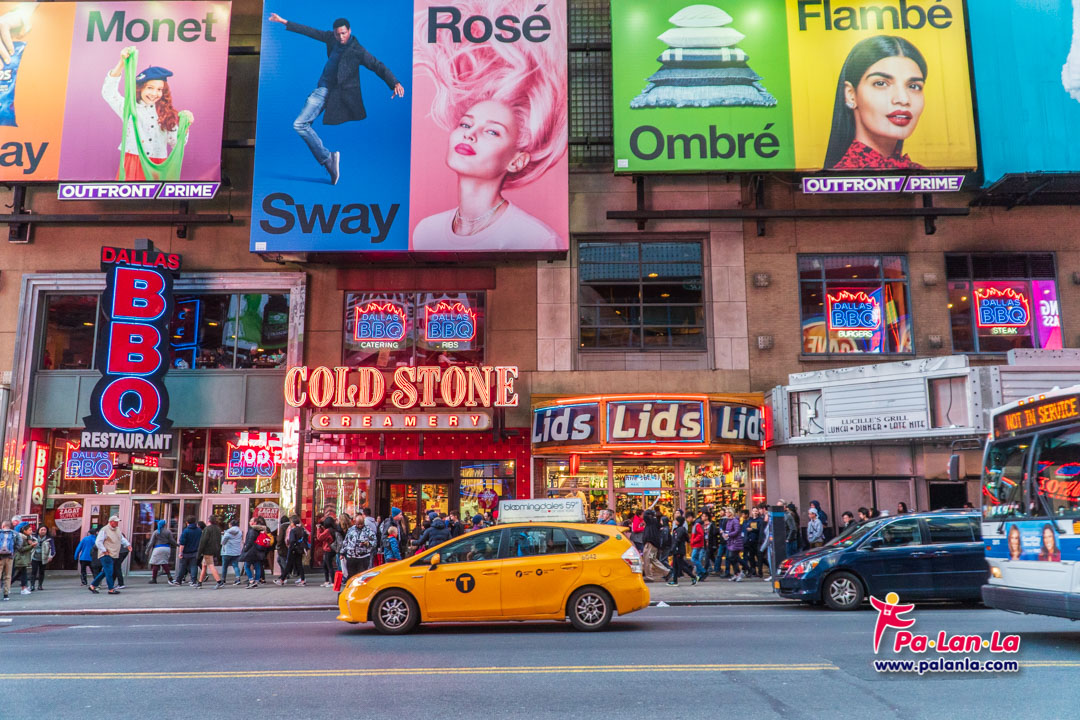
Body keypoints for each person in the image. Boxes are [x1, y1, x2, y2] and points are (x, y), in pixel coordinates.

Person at [410, 0, 567, 252]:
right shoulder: (426, 232)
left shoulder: (537, 240)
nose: (469, 135)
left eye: (492, 131)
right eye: (465, 123)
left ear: (517, 161)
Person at [266, 12, 405, 185]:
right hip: (323, 89)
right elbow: (309, 31)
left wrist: (395, 83)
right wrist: (283, 21)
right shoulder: (331, 39)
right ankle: (328, 159)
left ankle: (328, 159)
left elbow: (377, 66)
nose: (341, 37)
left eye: (344, 33)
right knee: (300, 124)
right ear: (334, 33)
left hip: (337, 93)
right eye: (338, 34)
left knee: (299, 124)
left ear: (349, 31)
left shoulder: (357, 50)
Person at [824, 35, 927, 170]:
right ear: (850, 95)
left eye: (913, 86)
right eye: (881, 83)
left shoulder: (921, 175)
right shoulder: (839, 182)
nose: (903, 99)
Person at [103, 49, 194, 181]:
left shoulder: (167, 113)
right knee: (132, 198)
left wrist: (185, 125)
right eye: (150, 88)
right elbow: (108, 93)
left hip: (159, 165)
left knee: (155, 199)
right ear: (141, 88)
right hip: (133, 162)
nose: (154, 93)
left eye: (159, 90)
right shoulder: (129, 108)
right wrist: (121, 64)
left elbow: (176, 143)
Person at [89, 515, 128, 595]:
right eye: (116, 522)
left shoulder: (117, 530)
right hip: (106, 554)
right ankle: (111, 588)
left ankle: (93, 585)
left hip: (113, 553)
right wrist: (104, 550)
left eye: (117, 522)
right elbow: (98, 542)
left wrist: (127, 545)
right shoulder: (104, 530)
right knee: (109, 571)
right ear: (111, 522)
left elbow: (121, 539)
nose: (117, 523)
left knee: (105, 571)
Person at [341, 514, 376, 581]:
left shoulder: (368, 530)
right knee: (351, 576)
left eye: (361, 524)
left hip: (363, 557)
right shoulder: (351, 530)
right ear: (355, 523)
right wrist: (342, 553)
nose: (359, 526)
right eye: (358, 524)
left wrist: (367, 543)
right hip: (351, 556)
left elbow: (374, 542)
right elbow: (346, 541)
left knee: (361, 576)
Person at [276, 516, 308, 586]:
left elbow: (292, 540)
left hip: (293, 550)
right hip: (299, 549)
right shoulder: (301, 529)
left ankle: (282, 580)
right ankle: (302, 580)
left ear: (293, 523)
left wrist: (291, 547)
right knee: (299, 565)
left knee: (288, 565)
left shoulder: (293, 531)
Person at [666, 516, 698, 586]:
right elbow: (687, 539)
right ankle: (675, 581)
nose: (675, 521)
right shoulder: (682, 529)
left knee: (680, 566)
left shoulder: (679, 530)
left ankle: (693, 577)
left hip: (678, 550)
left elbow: (677, 540)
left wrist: (672, 549)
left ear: (679, 522)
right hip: (679, 549)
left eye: (676, 520)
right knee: (675, 566)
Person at [641, 503, 669, 582]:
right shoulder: (656, 522)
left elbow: (645, 515)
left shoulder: (651, 521)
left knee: (647, 559)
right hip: (653, 544)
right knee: (652, 559)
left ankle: (649, 576)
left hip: (650, 543)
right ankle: (666, 572)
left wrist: (648, 509)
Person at [172, 516, 202, 586]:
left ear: (187, 522)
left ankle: (179, 580)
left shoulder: (186, 531)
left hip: (186, 552)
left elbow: (182, 543)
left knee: (182, 566)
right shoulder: (199, 531)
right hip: (195, 551)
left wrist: (180, 552)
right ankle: (193, 580)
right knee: (194, 566)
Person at [196, 516, 224, 589]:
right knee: (204, 566)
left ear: (209, 521)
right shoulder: (218, 529)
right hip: (214, 549)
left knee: (211, 565)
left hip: (207, 550)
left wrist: (199, 552)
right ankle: (199, 582)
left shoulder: (207, 529)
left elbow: (203, 541)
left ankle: (219, 581)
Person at [145, 520, 175, 584]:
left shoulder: (156, 532)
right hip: (166, 548)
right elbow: (172, 540)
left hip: (158, 548)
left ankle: (154, 578)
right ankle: (170, 578)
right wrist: (177, 545)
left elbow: (151, 542)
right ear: (165, 525)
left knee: (155, 563)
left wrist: (147, 550)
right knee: (164, 563)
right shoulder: (168, 532)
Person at [29, 525, 54, 591]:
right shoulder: (33, 537)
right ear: (38, 530)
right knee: (33, 571)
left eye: (44, 530)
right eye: (41, 530)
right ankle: (32, 585)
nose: (43, 531)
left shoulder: (49, 539)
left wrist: (50, 556)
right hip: (34, 557)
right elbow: (29, 546)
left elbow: (53, 548)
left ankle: (40, 585)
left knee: (42, 572)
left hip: (44, 557)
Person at [0, 520, 20, 600]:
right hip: (10, 557)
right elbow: (20, 541)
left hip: (0, 557)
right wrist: (14, 551)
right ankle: (6, 594)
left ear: (2, 526)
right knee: (7, 576)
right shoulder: (14, 533)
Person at [316, 516, 338, 588]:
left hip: (328, 549)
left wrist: (318, 529)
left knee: (328, 566)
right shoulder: (333, 530)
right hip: (331, 549)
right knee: (326, 565)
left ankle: (332, 582)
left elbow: (320, 537)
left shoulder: (328, 531)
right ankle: (327, 581)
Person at [724, 510, 746, 582]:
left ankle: (739, 573)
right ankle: (737, 573)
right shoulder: (729, 521)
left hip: (736, 542)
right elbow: (728, 530)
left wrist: (728, 534)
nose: (726, 513)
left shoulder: (735, 521)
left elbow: (736, 531)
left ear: (730, 513)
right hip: (731, 542)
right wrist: (725, 534)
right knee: (732, 558)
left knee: (732, 557)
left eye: (727, 512)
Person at [13, 522, 34, 595]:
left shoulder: (28, 538)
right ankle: (23, 588)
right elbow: (21, 549)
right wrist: (31, 546)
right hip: (20, 558)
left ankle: (24, 587)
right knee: (19, 573)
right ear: (24, 530)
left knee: (18, 573)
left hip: (23, 558)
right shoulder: (21, 538)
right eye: (30, 530)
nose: (31, 531)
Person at [221, 519, 244, 585]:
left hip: (227, 551)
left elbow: (223, 541)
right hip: (236, 551)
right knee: (235, 565)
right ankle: (238, 578)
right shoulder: (239, 532)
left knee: (224, 566)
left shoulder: (228, 532)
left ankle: (223, 579)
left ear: (231, 524)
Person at [689, 511, 708, 580]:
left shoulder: (697, 524)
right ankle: (701, 573)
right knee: (696, 559)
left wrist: (694, 540)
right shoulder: (696, 524)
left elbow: (701, 534)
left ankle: (703, 571)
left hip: (697, 544)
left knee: (694, 559)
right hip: (696, 544)